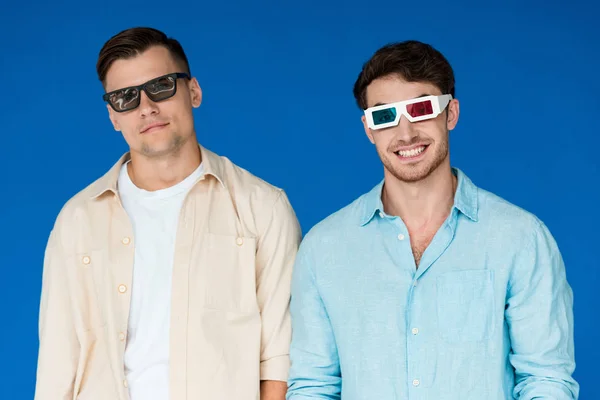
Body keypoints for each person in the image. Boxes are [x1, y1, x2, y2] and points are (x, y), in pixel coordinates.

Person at [286, 40, 579, 399]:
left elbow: (546, 380)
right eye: (385, 116)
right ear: (368, 129)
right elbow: (313, 387)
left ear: (450, 114)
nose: (406, 133)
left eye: (422, 109)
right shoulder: (323, 248)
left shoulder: (520, 238)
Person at [34, 27, 301, 400]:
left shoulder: (262, 208)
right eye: (126, 98)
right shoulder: (77, 220)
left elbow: (279, 357)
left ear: (193, 91)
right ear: (113, 115)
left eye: (161, 86)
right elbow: (58, 361)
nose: (147, 107)